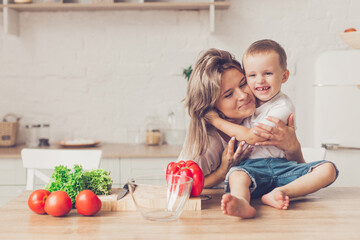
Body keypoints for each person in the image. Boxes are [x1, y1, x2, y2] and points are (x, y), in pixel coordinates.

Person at [180, 47, 338, 219]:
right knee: (238, 175)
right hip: (250, 176)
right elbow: (181, 185)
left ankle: (281, 192)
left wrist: (294, 148)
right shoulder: (209, 142)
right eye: (228, 94)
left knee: (328, 168)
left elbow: (289, 165)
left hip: (280, 174)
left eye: (242, 84)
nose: (243, 95)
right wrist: (222, 171)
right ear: (212, 106)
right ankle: (241, 202)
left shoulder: (272, 108)